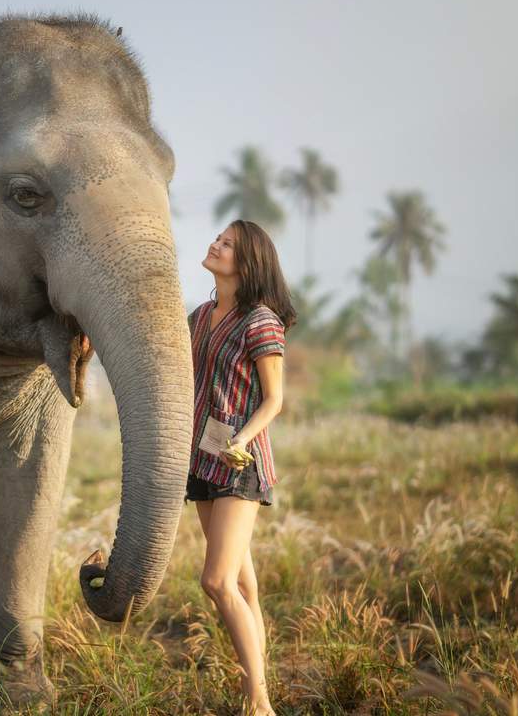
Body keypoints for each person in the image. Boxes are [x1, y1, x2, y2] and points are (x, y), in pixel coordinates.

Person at [185, 219, 296, 715]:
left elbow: (274, 401)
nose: (215, 244)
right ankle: (258, 685)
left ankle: (259, 702)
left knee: (217, 582)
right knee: (243, 584)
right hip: (202, 460)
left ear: (246, 262)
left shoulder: (261, 321)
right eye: (217, 238)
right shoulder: (200, 316)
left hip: (240, 465)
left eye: (227, 243)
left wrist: (241, 441)